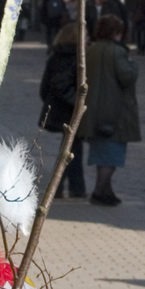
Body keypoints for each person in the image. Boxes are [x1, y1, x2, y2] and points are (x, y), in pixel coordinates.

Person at [81, 14, 140, 206]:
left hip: (94, 109)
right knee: (111, 154)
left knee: (102, 152)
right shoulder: (117, 52)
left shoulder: (91, 50)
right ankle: (99, 191)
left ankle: (107, 191)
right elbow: (126, 76)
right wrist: (133, 66)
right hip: (113, 109)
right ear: (116, 32)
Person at [38, 22, 87, 199]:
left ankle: (74, 187)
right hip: (67, 109)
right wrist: (77, 102)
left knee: (73, 146)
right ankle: (62, 188)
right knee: (71, 147)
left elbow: (44, 87)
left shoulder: (56, 55)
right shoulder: (74, 58)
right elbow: (60, 83)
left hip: (58, 107)